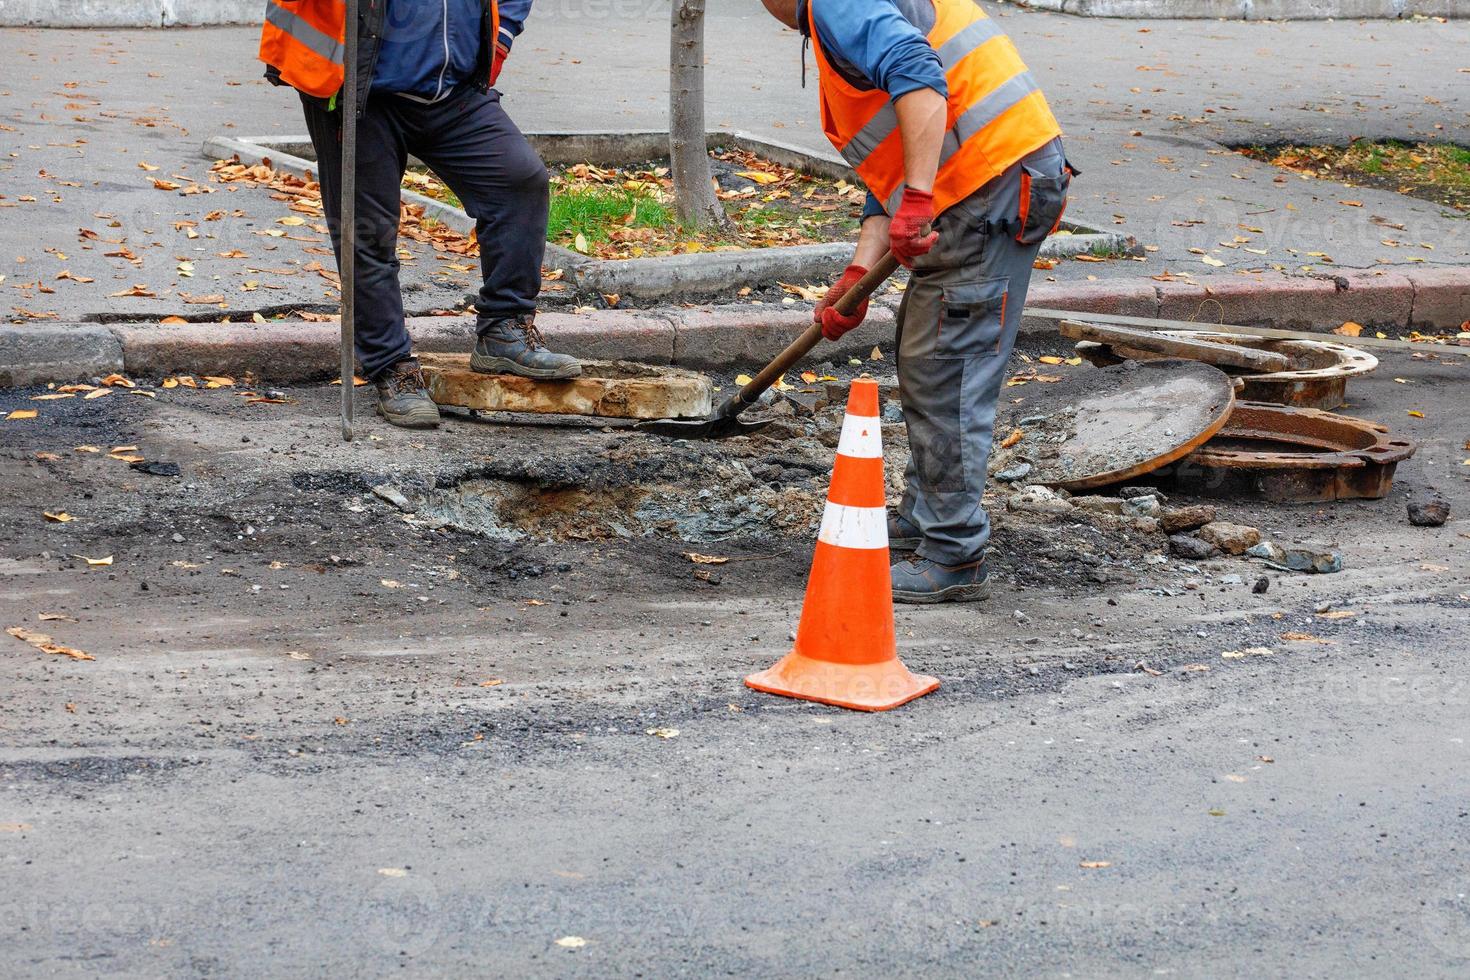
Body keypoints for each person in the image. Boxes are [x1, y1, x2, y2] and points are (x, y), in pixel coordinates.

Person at [761, 0, 1073, 604]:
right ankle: (926, 514)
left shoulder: (836, 1)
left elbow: (921, 80)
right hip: (988, 176)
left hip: (990, 180)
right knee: (926, 346)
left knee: (945, 364)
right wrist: (858, 271)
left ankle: (954, 552)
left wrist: (919, 198)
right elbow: (895, 156)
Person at [259, 0, 580, 429]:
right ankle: (391, 367)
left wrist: (498, 41)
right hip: (360, 86)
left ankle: (504, 327)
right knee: (367, 232)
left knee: (518, 182)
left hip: (454, 91)